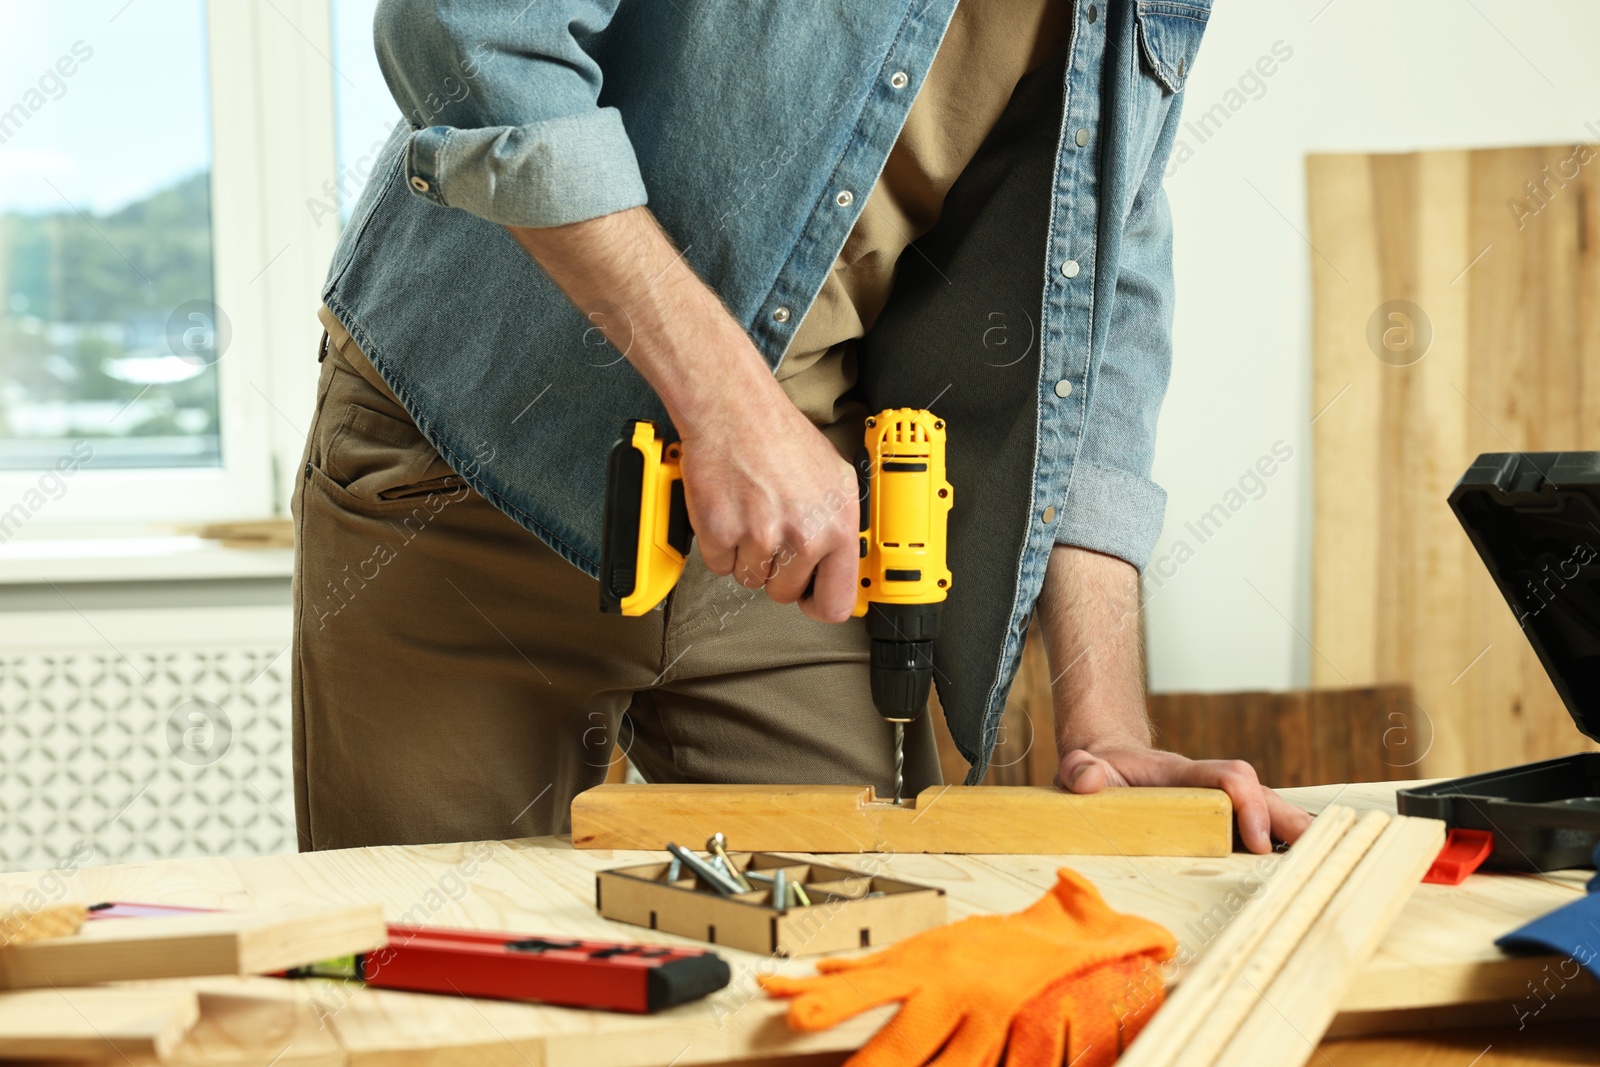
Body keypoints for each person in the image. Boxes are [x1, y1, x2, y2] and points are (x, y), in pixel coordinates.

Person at [292, 0, 1312, 855]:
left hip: (801, 528)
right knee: (442, 996)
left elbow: (1097, 284)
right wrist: (728, 399)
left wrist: (1106, 721)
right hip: (483, 449)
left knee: (866, 966)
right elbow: (463, 32)